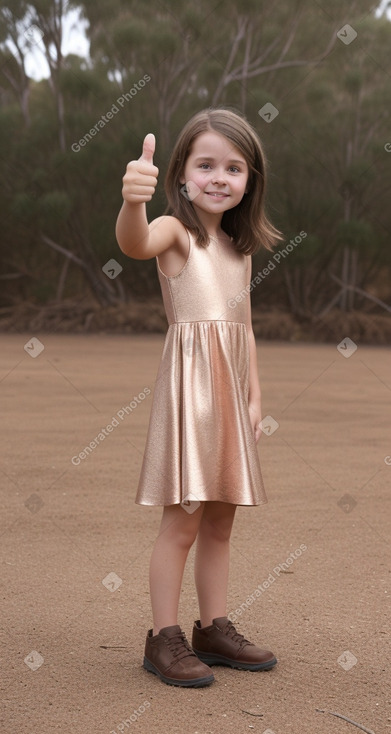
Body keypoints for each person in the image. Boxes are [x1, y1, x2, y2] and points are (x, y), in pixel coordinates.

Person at [116, 107, 284, 688]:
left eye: (234, 167)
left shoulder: (240, 249)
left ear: (249, 180)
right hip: (191, 397)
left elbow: (245, 327)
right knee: (183, 521)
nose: (219, 177)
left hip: (231, 397)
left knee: (221, 520)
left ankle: (213, 628)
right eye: (205, 164)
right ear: (182, 175)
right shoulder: (175, 232)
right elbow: (134, 242)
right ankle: (164, 638)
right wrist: (133, 201)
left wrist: (255, 397)